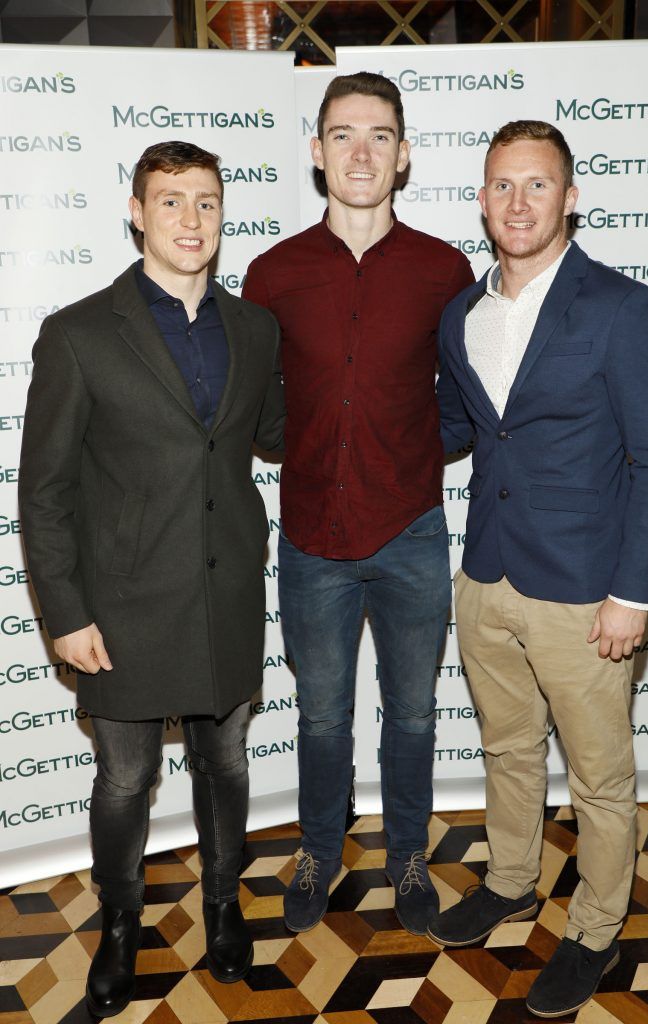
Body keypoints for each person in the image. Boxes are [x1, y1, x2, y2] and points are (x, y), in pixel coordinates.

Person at [19, 140, 284, 1017]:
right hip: (123, 607)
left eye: (206, 201)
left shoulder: (253, 327)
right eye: (171, 202)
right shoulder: (79, 333)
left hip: (227, 595)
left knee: (228, 761)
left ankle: (222, 906)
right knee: (125, 782)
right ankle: (122, 929)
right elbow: (45, 492)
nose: (191, 220)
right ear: (137, 212)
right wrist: (65, 612)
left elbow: (282, 432)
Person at [430, 120, 648, 1017]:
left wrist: (631, 596)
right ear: (482, 198)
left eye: (537, 185)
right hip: (487, 577)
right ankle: (510, 879)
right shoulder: (463, 313)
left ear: (570, 196)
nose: (518, 202)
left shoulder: (622, 307)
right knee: (505, 747)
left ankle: (595, 930)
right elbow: (462, 430)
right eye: (502, 185)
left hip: (585, 592)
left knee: (600, 776)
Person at [242, 72, 475, 936]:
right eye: (343, 134)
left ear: (404, 153)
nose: (361, 151)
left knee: (414, 712)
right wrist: (299, 448)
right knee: (321, 713)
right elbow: (252, 400)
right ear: (317, 151)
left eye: (379, 134)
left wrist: (418, 450)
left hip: (411, 529)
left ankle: (409, 853)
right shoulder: (273, 272)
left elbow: (467, 397)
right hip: (310, 539)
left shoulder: (443, 269)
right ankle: (319, 849)